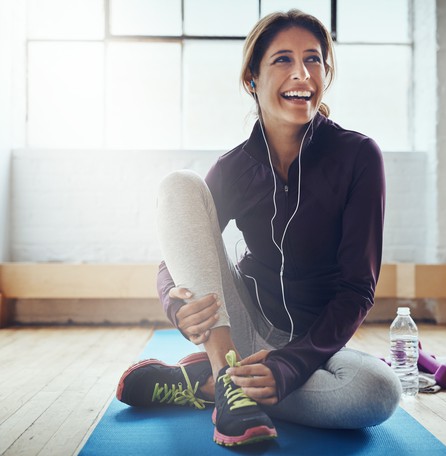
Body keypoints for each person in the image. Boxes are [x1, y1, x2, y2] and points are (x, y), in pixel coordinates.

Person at [116, 9, 402, 447]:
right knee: (180, 186)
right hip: (244, 326)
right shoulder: (235, 168)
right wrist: (178, 307)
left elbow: (357, 291)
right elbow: (175, 260)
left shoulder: (358, 157)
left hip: (317, 346)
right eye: (283, 60)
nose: (302, 73)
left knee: (377, 392)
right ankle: (229, 373)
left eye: (314, 59)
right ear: (252, 78)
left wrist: (289, 365)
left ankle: (215, 383)